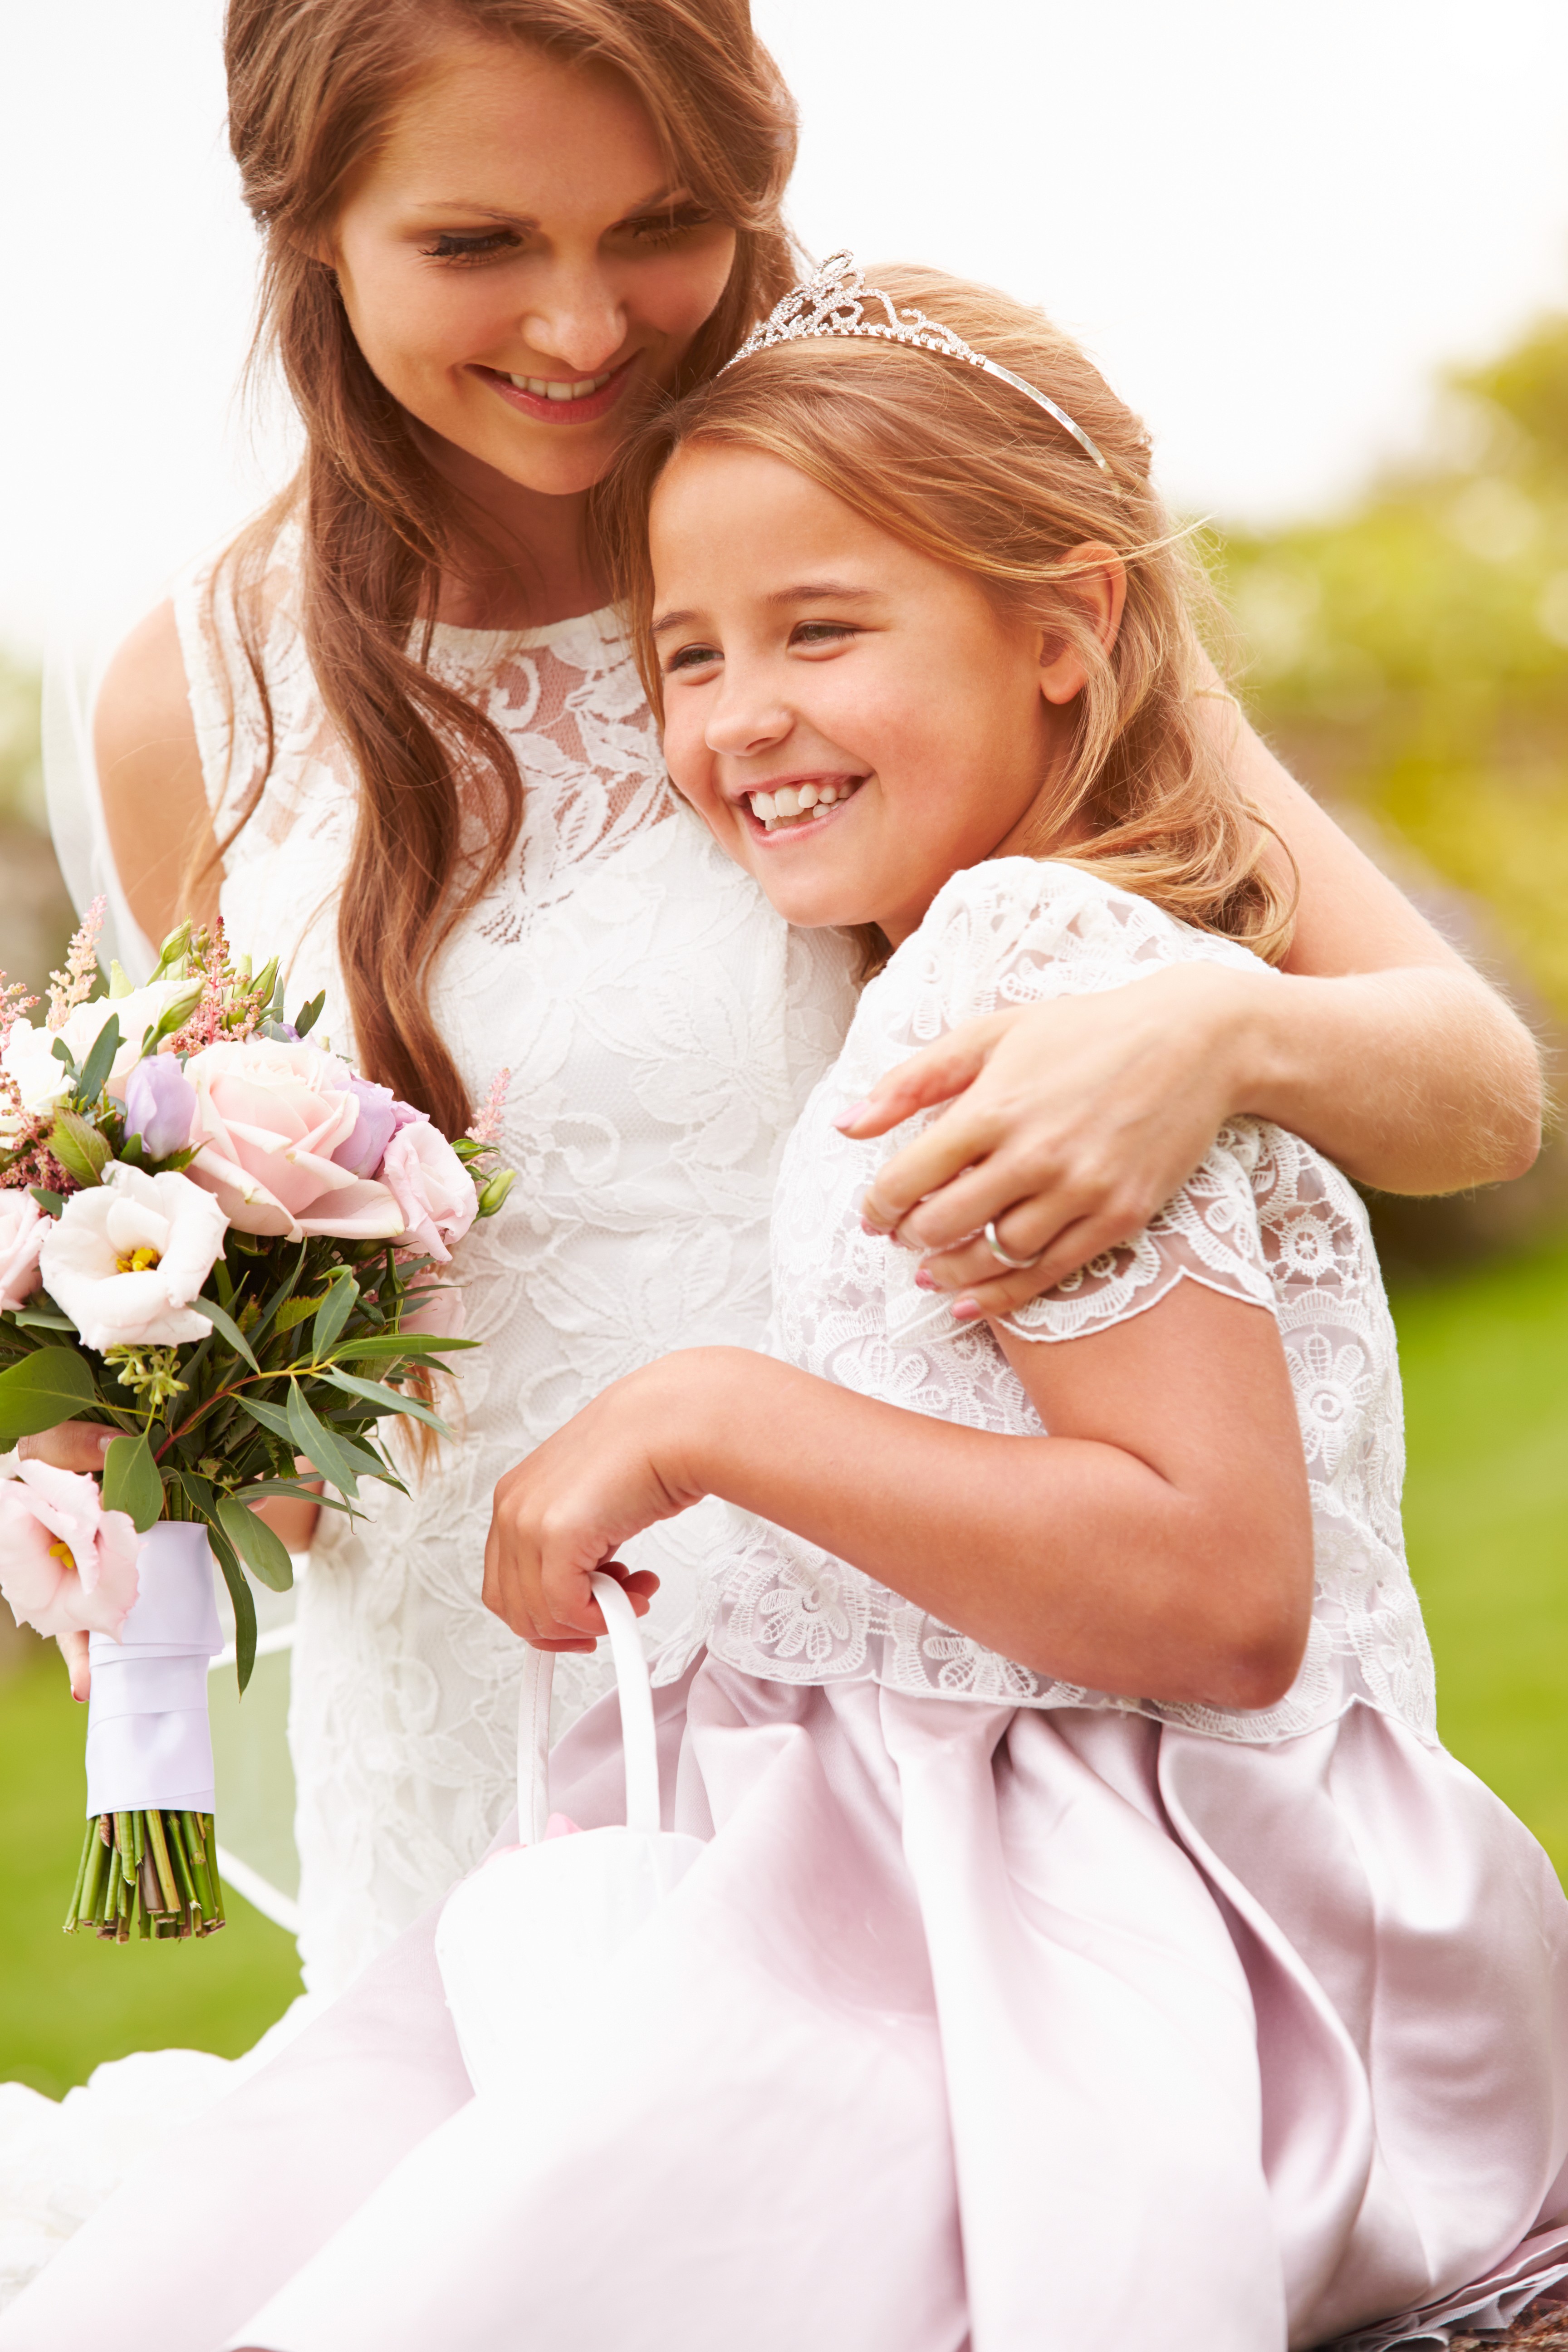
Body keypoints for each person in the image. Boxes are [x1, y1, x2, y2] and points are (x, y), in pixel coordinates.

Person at [10, 256, 1564, 2352]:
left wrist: (703, 1420)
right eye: (688, 659)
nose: (735, 714)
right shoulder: (969, 921)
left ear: (1069, 632)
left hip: (1076, 1907)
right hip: (832, 1816)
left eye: (818, 635)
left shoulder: (1032, 951)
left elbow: (1219, 1585)